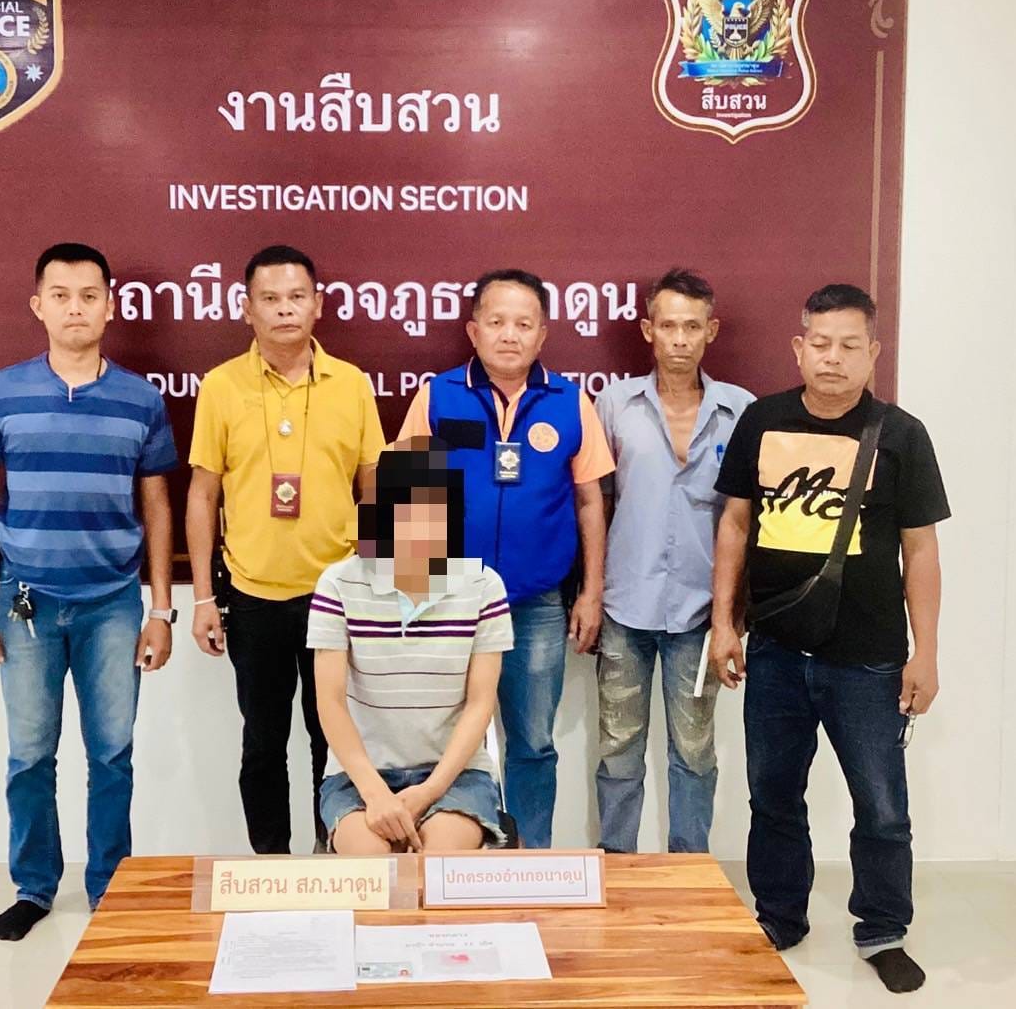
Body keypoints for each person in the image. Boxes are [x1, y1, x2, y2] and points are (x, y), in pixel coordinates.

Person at [709, 284, 949, 994]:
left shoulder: (901, 435)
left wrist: (927, 653)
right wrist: (723, 623)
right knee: (773, 794)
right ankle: (780, 916)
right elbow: (735, 525)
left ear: (873, 352)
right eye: (820, 343)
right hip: (777, 649)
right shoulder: (763, 420)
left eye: (849, 345)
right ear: (799, 347)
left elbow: (921, 551)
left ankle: (883, 929)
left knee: (882, 806)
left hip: (868, 659)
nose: (833, 358)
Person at [0, 242, 178, 940]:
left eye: (89, 295)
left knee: (111, 754)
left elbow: (158, 508)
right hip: (27, 601)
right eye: (61, 295)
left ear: (110, 306)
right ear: (38, 306)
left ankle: (110, 885)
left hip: (114, 602)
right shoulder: (2, 391)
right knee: (29, 755)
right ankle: (35, 886)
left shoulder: (141, 400)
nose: (75, 308)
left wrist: (161, 610)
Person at [398, 268, 614, 847]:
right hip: (447, 600)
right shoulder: (438, 396)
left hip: (535, 602)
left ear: (542, 334)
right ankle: (447, 857)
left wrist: (591, 593)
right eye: (496, 322)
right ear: (474, 331)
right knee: (440, 742)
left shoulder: (570, 402)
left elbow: (590, 502)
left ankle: (528, 859)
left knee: (533, 743)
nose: (509, 335)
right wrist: (411, 596)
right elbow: (407, 493)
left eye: (523, 323)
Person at [186, 244, 385, 854]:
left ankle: (335, 854)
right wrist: (202, 598)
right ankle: (271, 864)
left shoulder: (351, 385)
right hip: (254, 597)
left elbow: (374, 486)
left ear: (318, 305)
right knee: (264, 741)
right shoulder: (221, 386)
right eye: (269, 299)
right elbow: (202, 495)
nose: (284, 310)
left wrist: (380, 585)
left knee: (336, 741)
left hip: (338, 596)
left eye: (297, 297)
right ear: (247, 309)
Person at [594, 268, 753, 854]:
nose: (680, 339)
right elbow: (596, 504)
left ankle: (691, 870)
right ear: (648, 331)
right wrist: (590, 592)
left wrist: (732, 616)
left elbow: (747, 520)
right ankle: (618, 863)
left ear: (711, 331)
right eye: (668, 326)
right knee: (618, 748)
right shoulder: (614, 404)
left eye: (692, 326)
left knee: (694, 751)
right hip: (624, 606)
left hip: (701, 613)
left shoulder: (740, 410)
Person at [310, 439, 514, 853]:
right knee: (372, 868)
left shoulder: (484, 587)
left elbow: (481, 704)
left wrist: (429, 791)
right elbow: (330, 701)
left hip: (456, 776)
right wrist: (376, 794)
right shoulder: (338, 584)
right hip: (360, 777)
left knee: (439, 862)